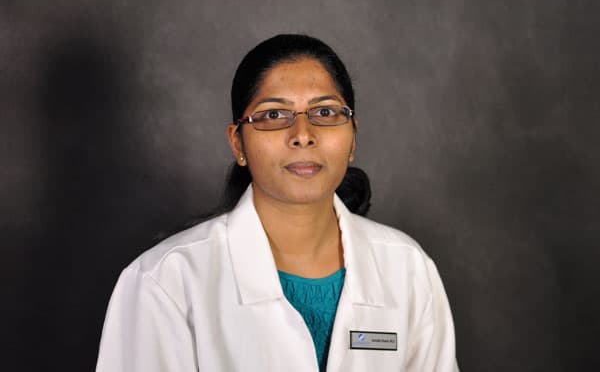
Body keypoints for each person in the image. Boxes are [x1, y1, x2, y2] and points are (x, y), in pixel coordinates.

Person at [96, 34, 459, 371]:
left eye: (326, 112)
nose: (303, 135)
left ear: (352, 140)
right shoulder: (165, 283)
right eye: (273, 115)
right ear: (238, 143)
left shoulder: (409, 268)